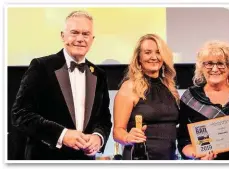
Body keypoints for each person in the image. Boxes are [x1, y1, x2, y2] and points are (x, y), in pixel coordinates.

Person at [11, 11, 112, 160]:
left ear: (92, 39)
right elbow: (19, 114)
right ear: (62, 36)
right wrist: (62, 135)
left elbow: (104, 119)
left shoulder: (99, 74)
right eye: (74, 32)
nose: (80, 39)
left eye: (85, 34)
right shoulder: (41, 66)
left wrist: (98, 137)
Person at [177, 40, 229, 160]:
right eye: (209, 63)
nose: (215, 69)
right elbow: (183, 140)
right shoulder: (190, 97)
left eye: (221, 63)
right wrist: (197, 154)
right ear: (201, 67)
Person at [113, 34, 180, 160]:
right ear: (139, 58)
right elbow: (117, 131)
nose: (154, 57)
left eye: (158, 52)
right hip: (141, 159)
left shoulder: (170, 88)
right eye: (148, 52)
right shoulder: (129, 87)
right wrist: (128, 137)